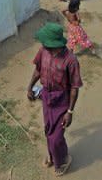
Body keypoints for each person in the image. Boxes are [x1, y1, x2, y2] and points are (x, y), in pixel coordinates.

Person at [27, 23, 82, 177]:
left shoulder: (71, 60)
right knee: (48, 131)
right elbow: (38, 70)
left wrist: (70, 111)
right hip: (46, 97)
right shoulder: (43, 51)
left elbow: (75, 87)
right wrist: (30, 86)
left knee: (56, 137)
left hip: (62, 100)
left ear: (55, 43)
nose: (43, 44)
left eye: (46, 42)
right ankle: (52, 156)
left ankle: (63, 160)